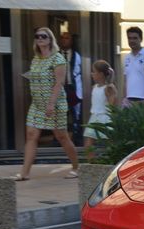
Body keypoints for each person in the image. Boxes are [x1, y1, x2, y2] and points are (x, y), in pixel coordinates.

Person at [16, 27, 78, 181]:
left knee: (61, 137)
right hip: (37, 104)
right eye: (37, 36)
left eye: (44, 36)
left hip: (54, 104)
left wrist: (51, 103)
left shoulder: (57, 59)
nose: (40, 39)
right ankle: (24, 173)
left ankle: (77, 167)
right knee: (31, 135)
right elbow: (37, 75)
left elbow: (59, 83)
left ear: (50, 40)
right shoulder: (36, 59)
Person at [83, 60, 117, 151]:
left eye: (94, 72)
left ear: (101, 74)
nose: (92, 74)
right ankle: (92, 163)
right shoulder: (94, 87)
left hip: (105, 117)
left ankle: (112, 161)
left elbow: (112, 105)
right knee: (88, 145)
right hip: (94, 117)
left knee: (110, 144)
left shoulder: (108, 88)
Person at [59, 31, 82, 145]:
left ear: (71, 41)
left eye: (67, 38)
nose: (64, 40)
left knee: (76, 114)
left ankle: (76, 138)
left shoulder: (77, 55)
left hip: (73, 88)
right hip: (60, 89)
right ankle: (59, 139)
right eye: (62, 38)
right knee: (60, 115)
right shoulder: (56, 55)